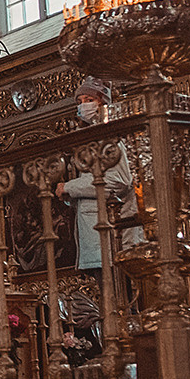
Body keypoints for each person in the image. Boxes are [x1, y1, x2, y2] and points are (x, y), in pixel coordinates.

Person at [57, 78, 139, 270]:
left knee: (115, 284)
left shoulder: (110, 138)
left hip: (111, 235)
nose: (83, 106)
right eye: (79, 102)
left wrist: (70, 187)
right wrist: (71, 196)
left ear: (103, 102)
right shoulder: (91, 138)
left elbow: (119, 181)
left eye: (89, 100)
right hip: (94, 237)